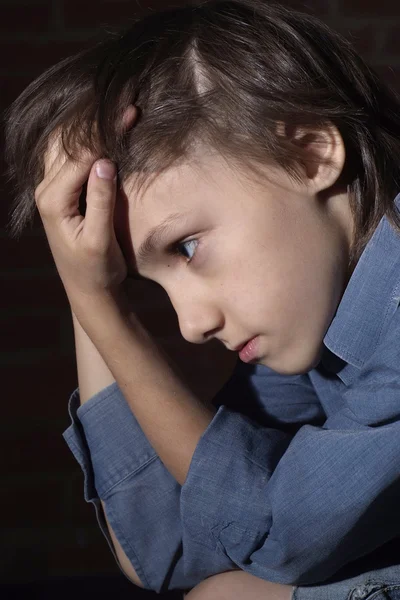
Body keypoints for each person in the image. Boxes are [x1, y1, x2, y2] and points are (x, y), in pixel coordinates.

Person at [3, 1, 400, 598]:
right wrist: (92, 288)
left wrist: (101, 307)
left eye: (187, 248)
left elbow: (276, 536)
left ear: (311, 153)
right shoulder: (319, 329)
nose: (190, 323)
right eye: (150, 284)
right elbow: (167, 545)